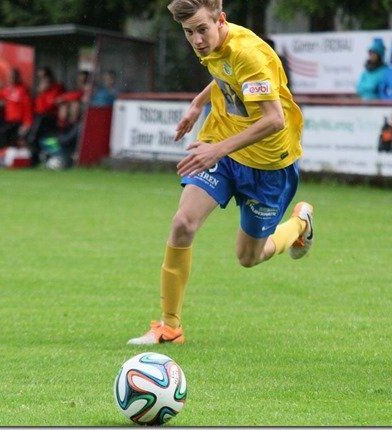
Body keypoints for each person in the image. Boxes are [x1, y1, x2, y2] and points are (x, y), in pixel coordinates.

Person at [128, 0, 314, 345]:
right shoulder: (211, 44)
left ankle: (299, 226)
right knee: (183, 223)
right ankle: (170, 327)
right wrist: (197, 104)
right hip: (224, 147)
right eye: (189, 33)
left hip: (268, 165)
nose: (197, 40)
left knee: (249, 257)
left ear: (220, 20)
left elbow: (274, 119)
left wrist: (217, 149)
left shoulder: (249, 54)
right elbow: (224, 76)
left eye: (202, 30)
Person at [0, 68, 33, 151]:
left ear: (17, 78)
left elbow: (28, 108)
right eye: (10, 77)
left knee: (1, 132)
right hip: (8, 120)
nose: (11, 79)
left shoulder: (22, 91)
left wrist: (27, 124)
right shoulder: (7, 90)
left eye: (13, 77)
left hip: (17, 122)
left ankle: (1, 150)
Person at [26, 66, 64, 165]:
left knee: (40, 137)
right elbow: (34, 106)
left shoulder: (57, 88)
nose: (42, 80)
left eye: (44, 76)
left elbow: (51, 104)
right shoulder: (40, 92)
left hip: (49, 117)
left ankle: (51, 158)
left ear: (50, 77)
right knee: (36, 138)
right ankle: (37, 159)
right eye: (40, 77)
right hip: (39, 117)